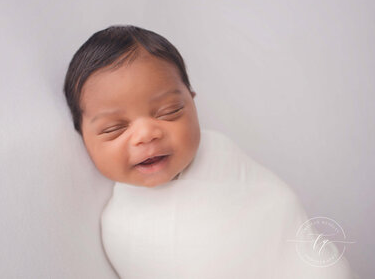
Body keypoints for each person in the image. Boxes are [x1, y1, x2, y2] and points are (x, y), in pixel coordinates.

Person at [63, 25, 354, 278]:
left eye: (170, 111)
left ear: (192, 102)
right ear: (82, 136)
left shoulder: (219, 150)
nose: (146, 134)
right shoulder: (120, 227)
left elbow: (276, 208)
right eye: (114, 128)